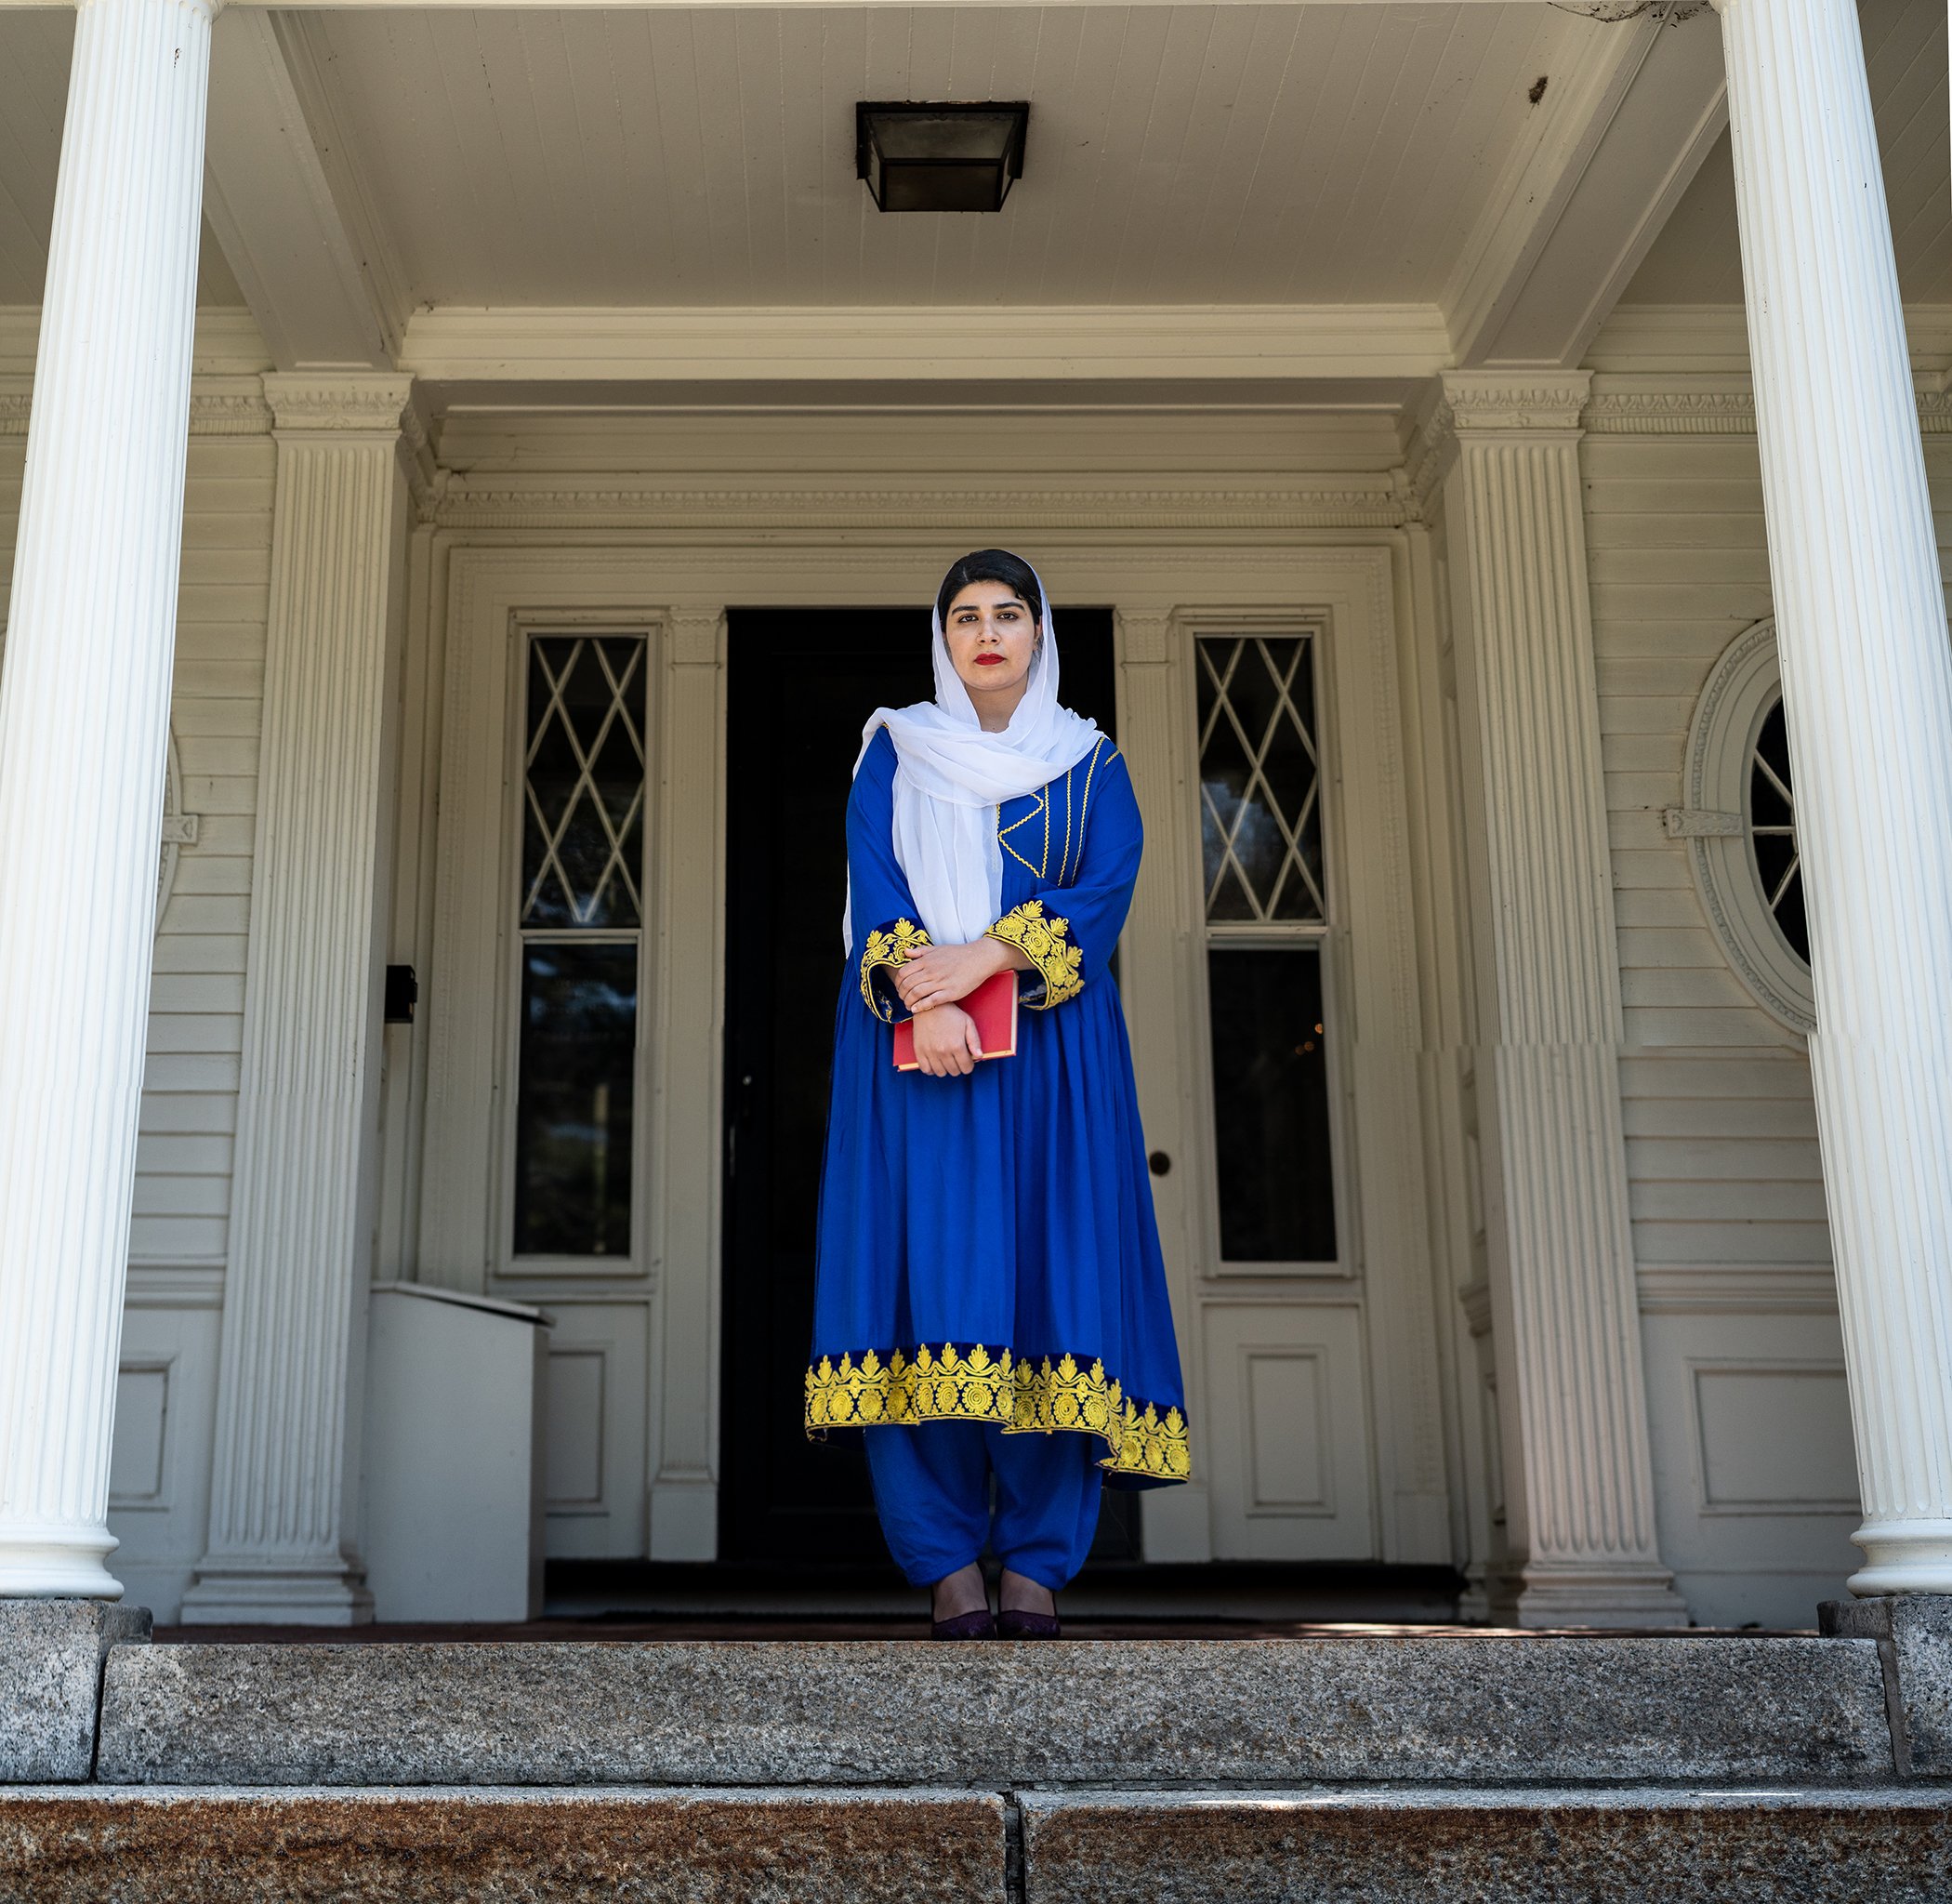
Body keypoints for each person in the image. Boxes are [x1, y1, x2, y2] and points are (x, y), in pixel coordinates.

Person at [804, 549, 1191, 1639]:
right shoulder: (895, 750)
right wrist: (923, 995)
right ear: (943, 636)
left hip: (1055, 1055)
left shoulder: (1089, 762)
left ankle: (1037, 1562)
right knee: (923, 1286)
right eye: (965, 615)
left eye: (1008, 614)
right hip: (912, 1048)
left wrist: (985, 960)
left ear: (1038, 632)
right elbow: (876, 873)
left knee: (1047, 1283)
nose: (987, 632)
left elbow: (1105, 885)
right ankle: (943, 1563)